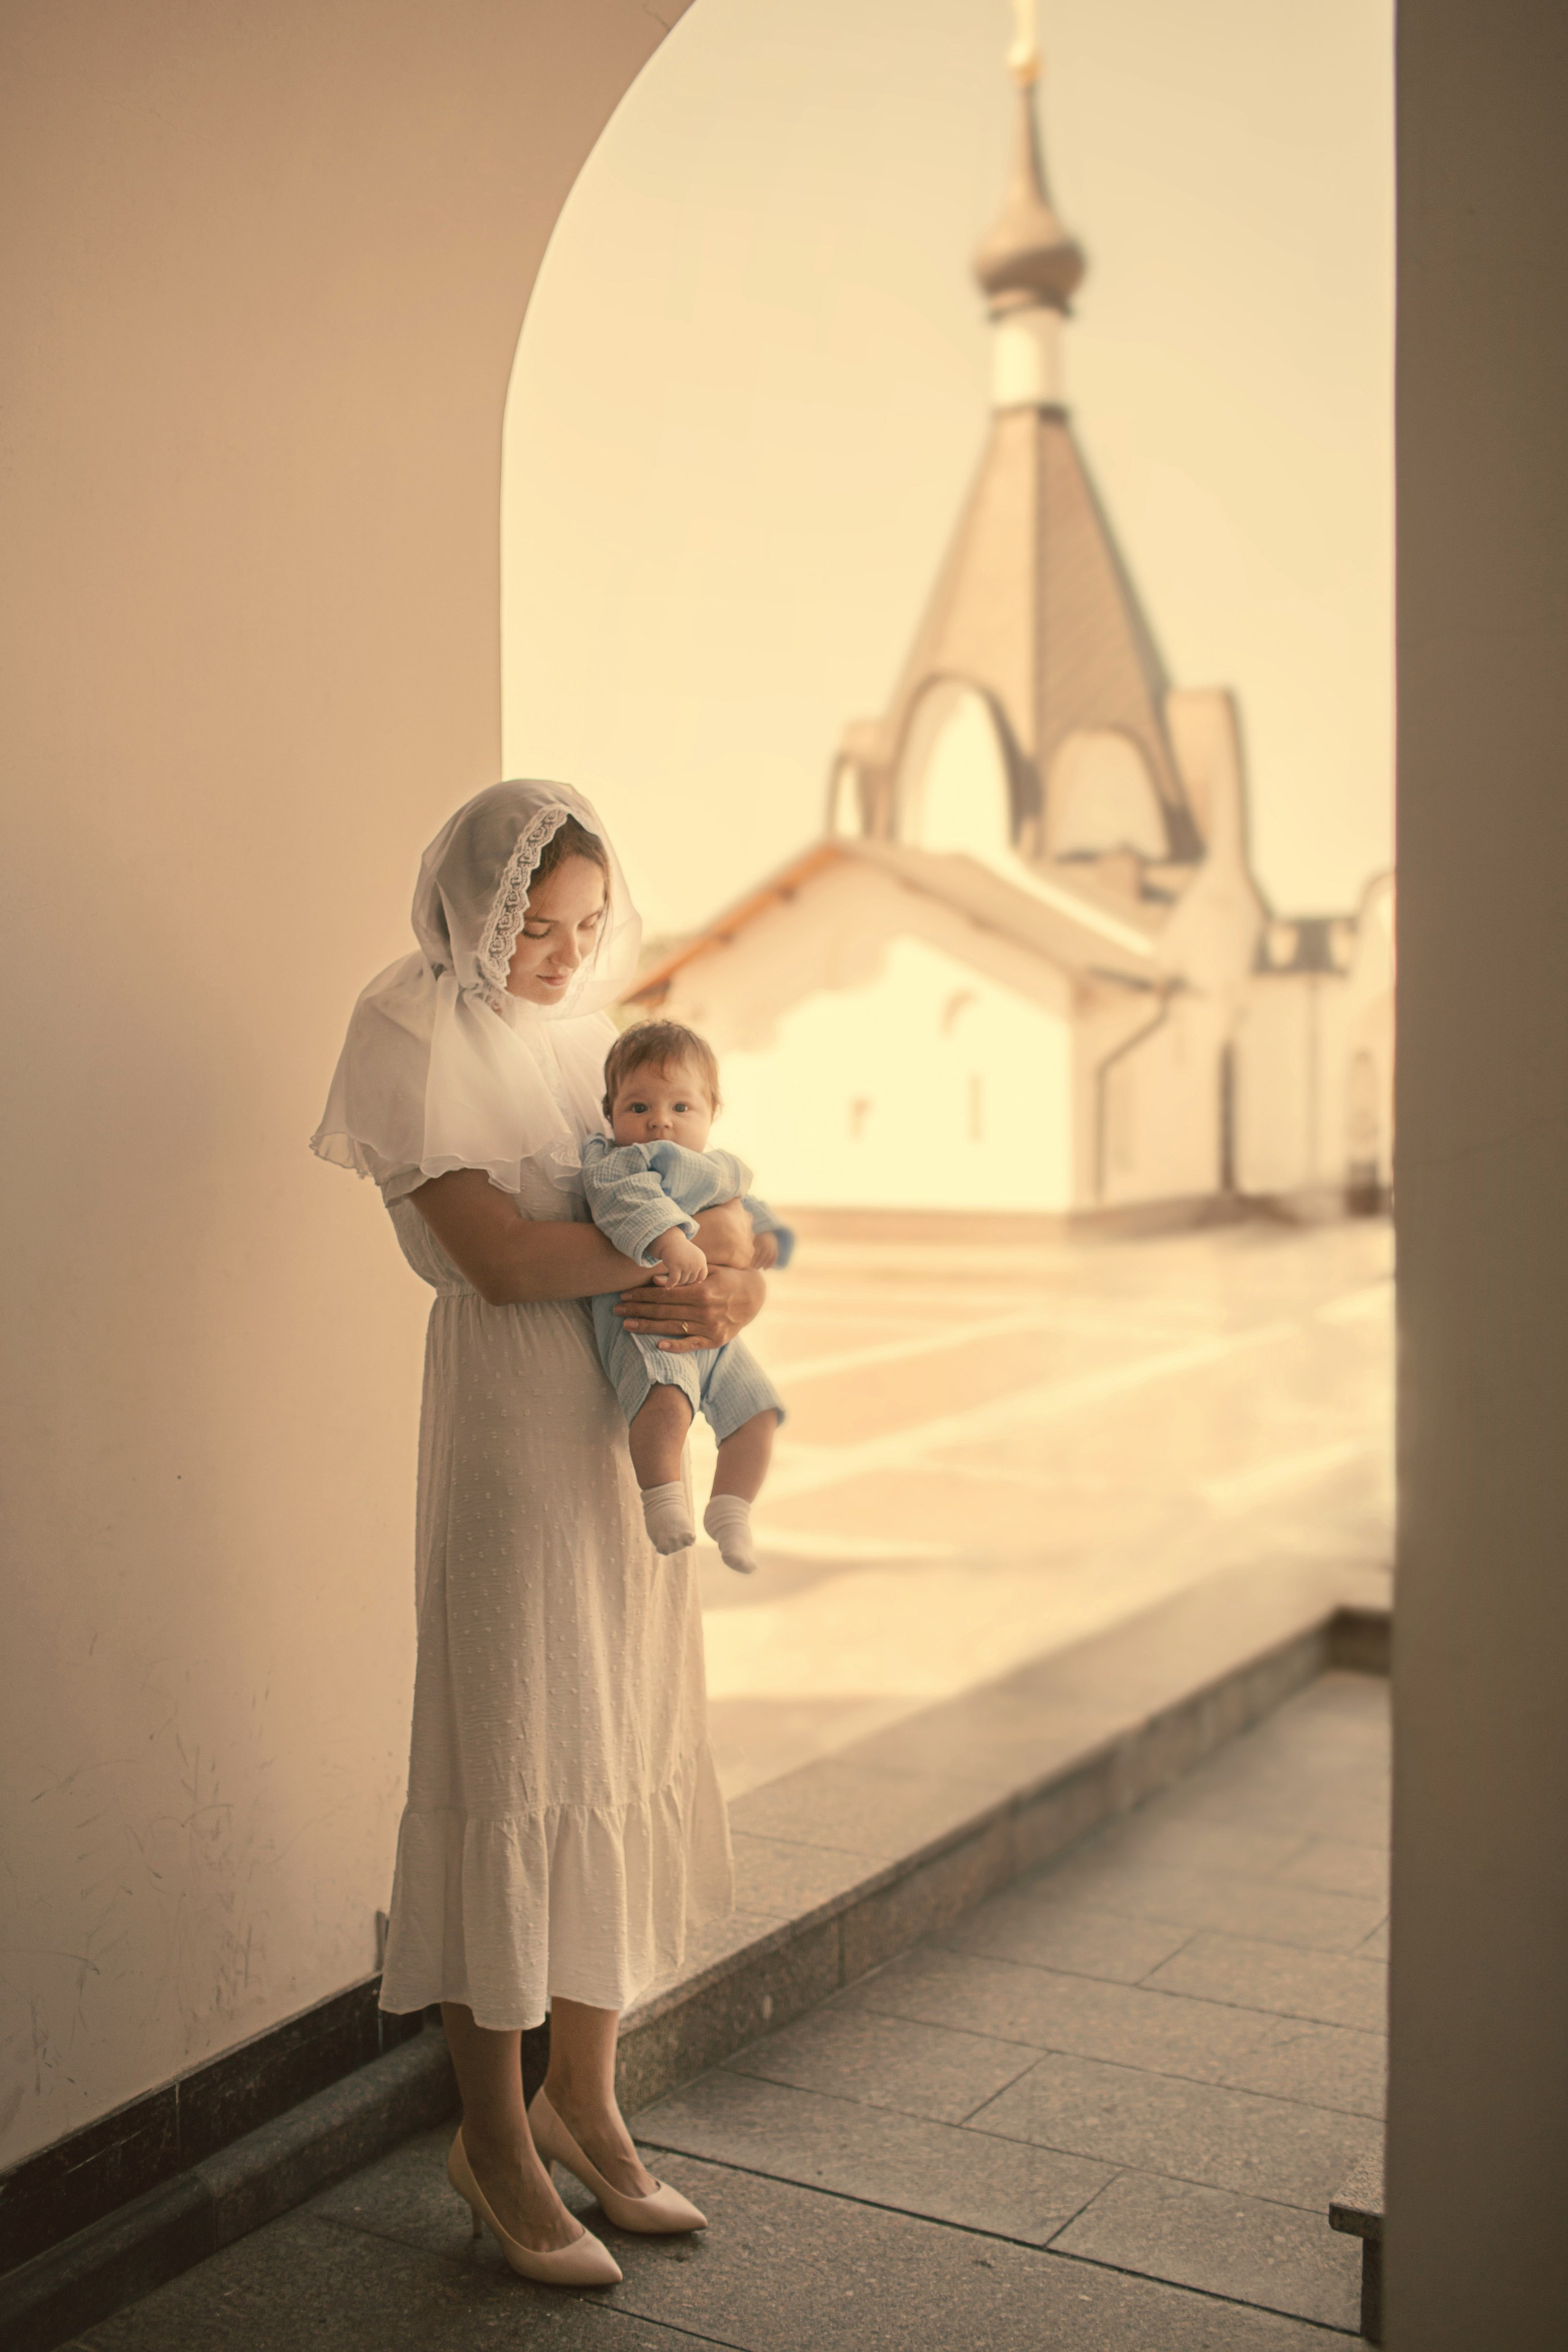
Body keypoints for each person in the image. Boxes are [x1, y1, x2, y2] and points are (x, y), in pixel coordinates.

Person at [311, 783, 764, 2286]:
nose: (565, 955)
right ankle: (491, 2136)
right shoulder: (410, 1030)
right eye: (535, 926)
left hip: (621, 1418)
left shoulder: (599, 1050)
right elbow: (500, 1259)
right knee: (511, 1752)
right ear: (475, 912)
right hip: (512, 1425)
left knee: (610, 1736)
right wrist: (677, 1259)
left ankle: (586, 2096)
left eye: (583, 925)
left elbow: (712, 1205)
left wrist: (720, 1286)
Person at [581, 1019, 790, 1576]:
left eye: (680, 1107)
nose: (659, 1122)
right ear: (611, 1114)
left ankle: (731, 1511)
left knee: (758, 1415)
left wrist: (766, 1235)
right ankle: (662, 1499)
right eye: (638, 1107)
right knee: (665, 1406)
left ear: (711, 1110)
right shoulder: (621, 1162)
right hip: (648, 1321)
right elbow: (624, 1204)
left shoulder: (720, 1167)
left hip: (713, 1333)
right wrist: (669, 1239)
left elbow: (746, 1208)